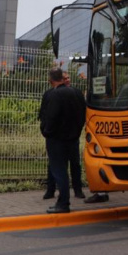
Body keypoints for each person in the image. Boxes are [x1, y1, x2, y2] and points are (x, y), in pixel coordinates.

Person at [39, 67, 85, 214]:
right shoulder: (77, 93)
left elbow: (50, 117)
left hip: (56, 139)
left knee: (59, 170)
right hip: (73, 138)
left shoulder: (54, 95)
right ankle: (71, 195)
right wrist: (76, 131)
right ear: (62, 78)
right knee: (73, 166)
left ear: (51, 80)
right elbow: (82, 115)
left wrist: (46, 132)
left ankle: (63, 202)